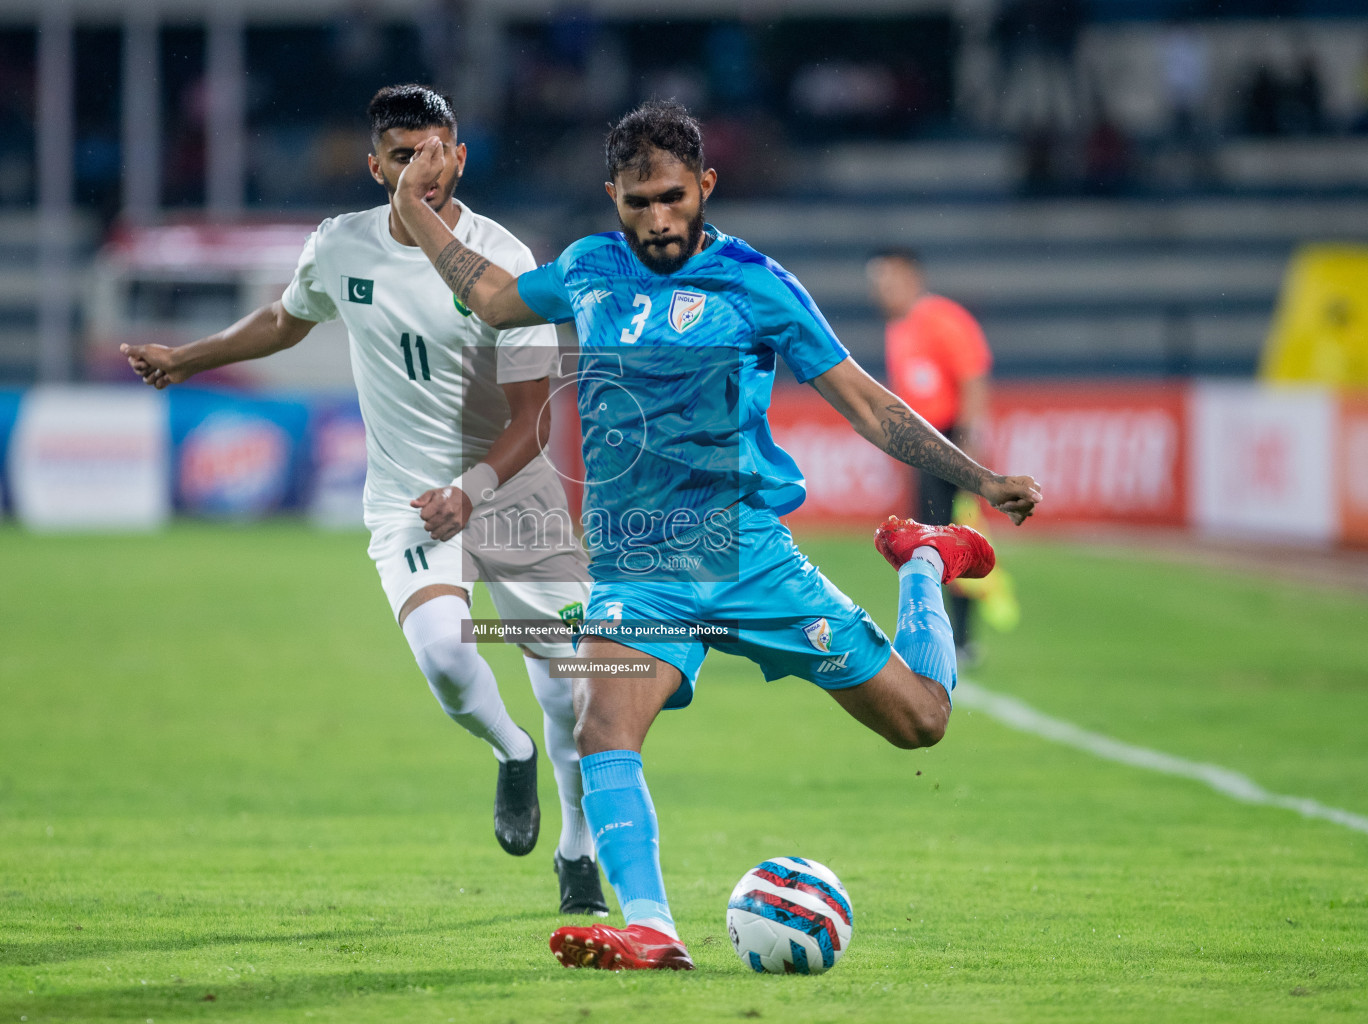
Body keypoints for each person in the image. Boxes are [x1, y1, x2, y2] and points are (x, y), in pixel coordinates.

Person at [390, 100, 1041, 971]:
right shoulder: (587, 269)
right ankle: (653, 928)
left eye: (670, 198)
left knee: (921, 722)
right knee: (600, 724)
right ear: (611, 197)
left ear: (705, 185)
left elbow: (865, 402)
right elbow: (495, 298)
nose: (656, 220)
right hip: (635, 568)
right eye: (636, 203)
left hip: (746, 555)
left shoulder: (755, 283)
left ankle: (925, 560)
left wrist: (981, 481)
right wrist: (416, 209)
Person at [120, 85, 607, 917]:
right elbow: (286, 314)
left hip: (511, 493)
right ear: (375, 163)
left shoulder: (509, 263)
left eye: (436, 150)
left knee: (571, 689)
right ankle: (510, 750)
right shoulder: (341, 246)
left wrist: (473, 490)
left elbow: (536, 418)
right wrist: (190, 359)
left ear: (458, 155)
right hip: (407, 501)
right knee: (450, 660)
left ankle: (578, 852)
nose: (422, 167)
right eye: (403, 153)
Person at [866, 248, 995, 663]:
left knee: (953, 537)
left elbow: (972, 376)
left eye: (887, 279)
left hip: (951, 439)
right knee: (929, 539)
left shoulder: (941, 318)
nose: (881, 290)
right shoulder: (899, 328)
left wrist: (969, 441)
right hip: (926, 444)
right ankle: (938, 633)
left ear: (910, 277)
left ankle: (962, 637)